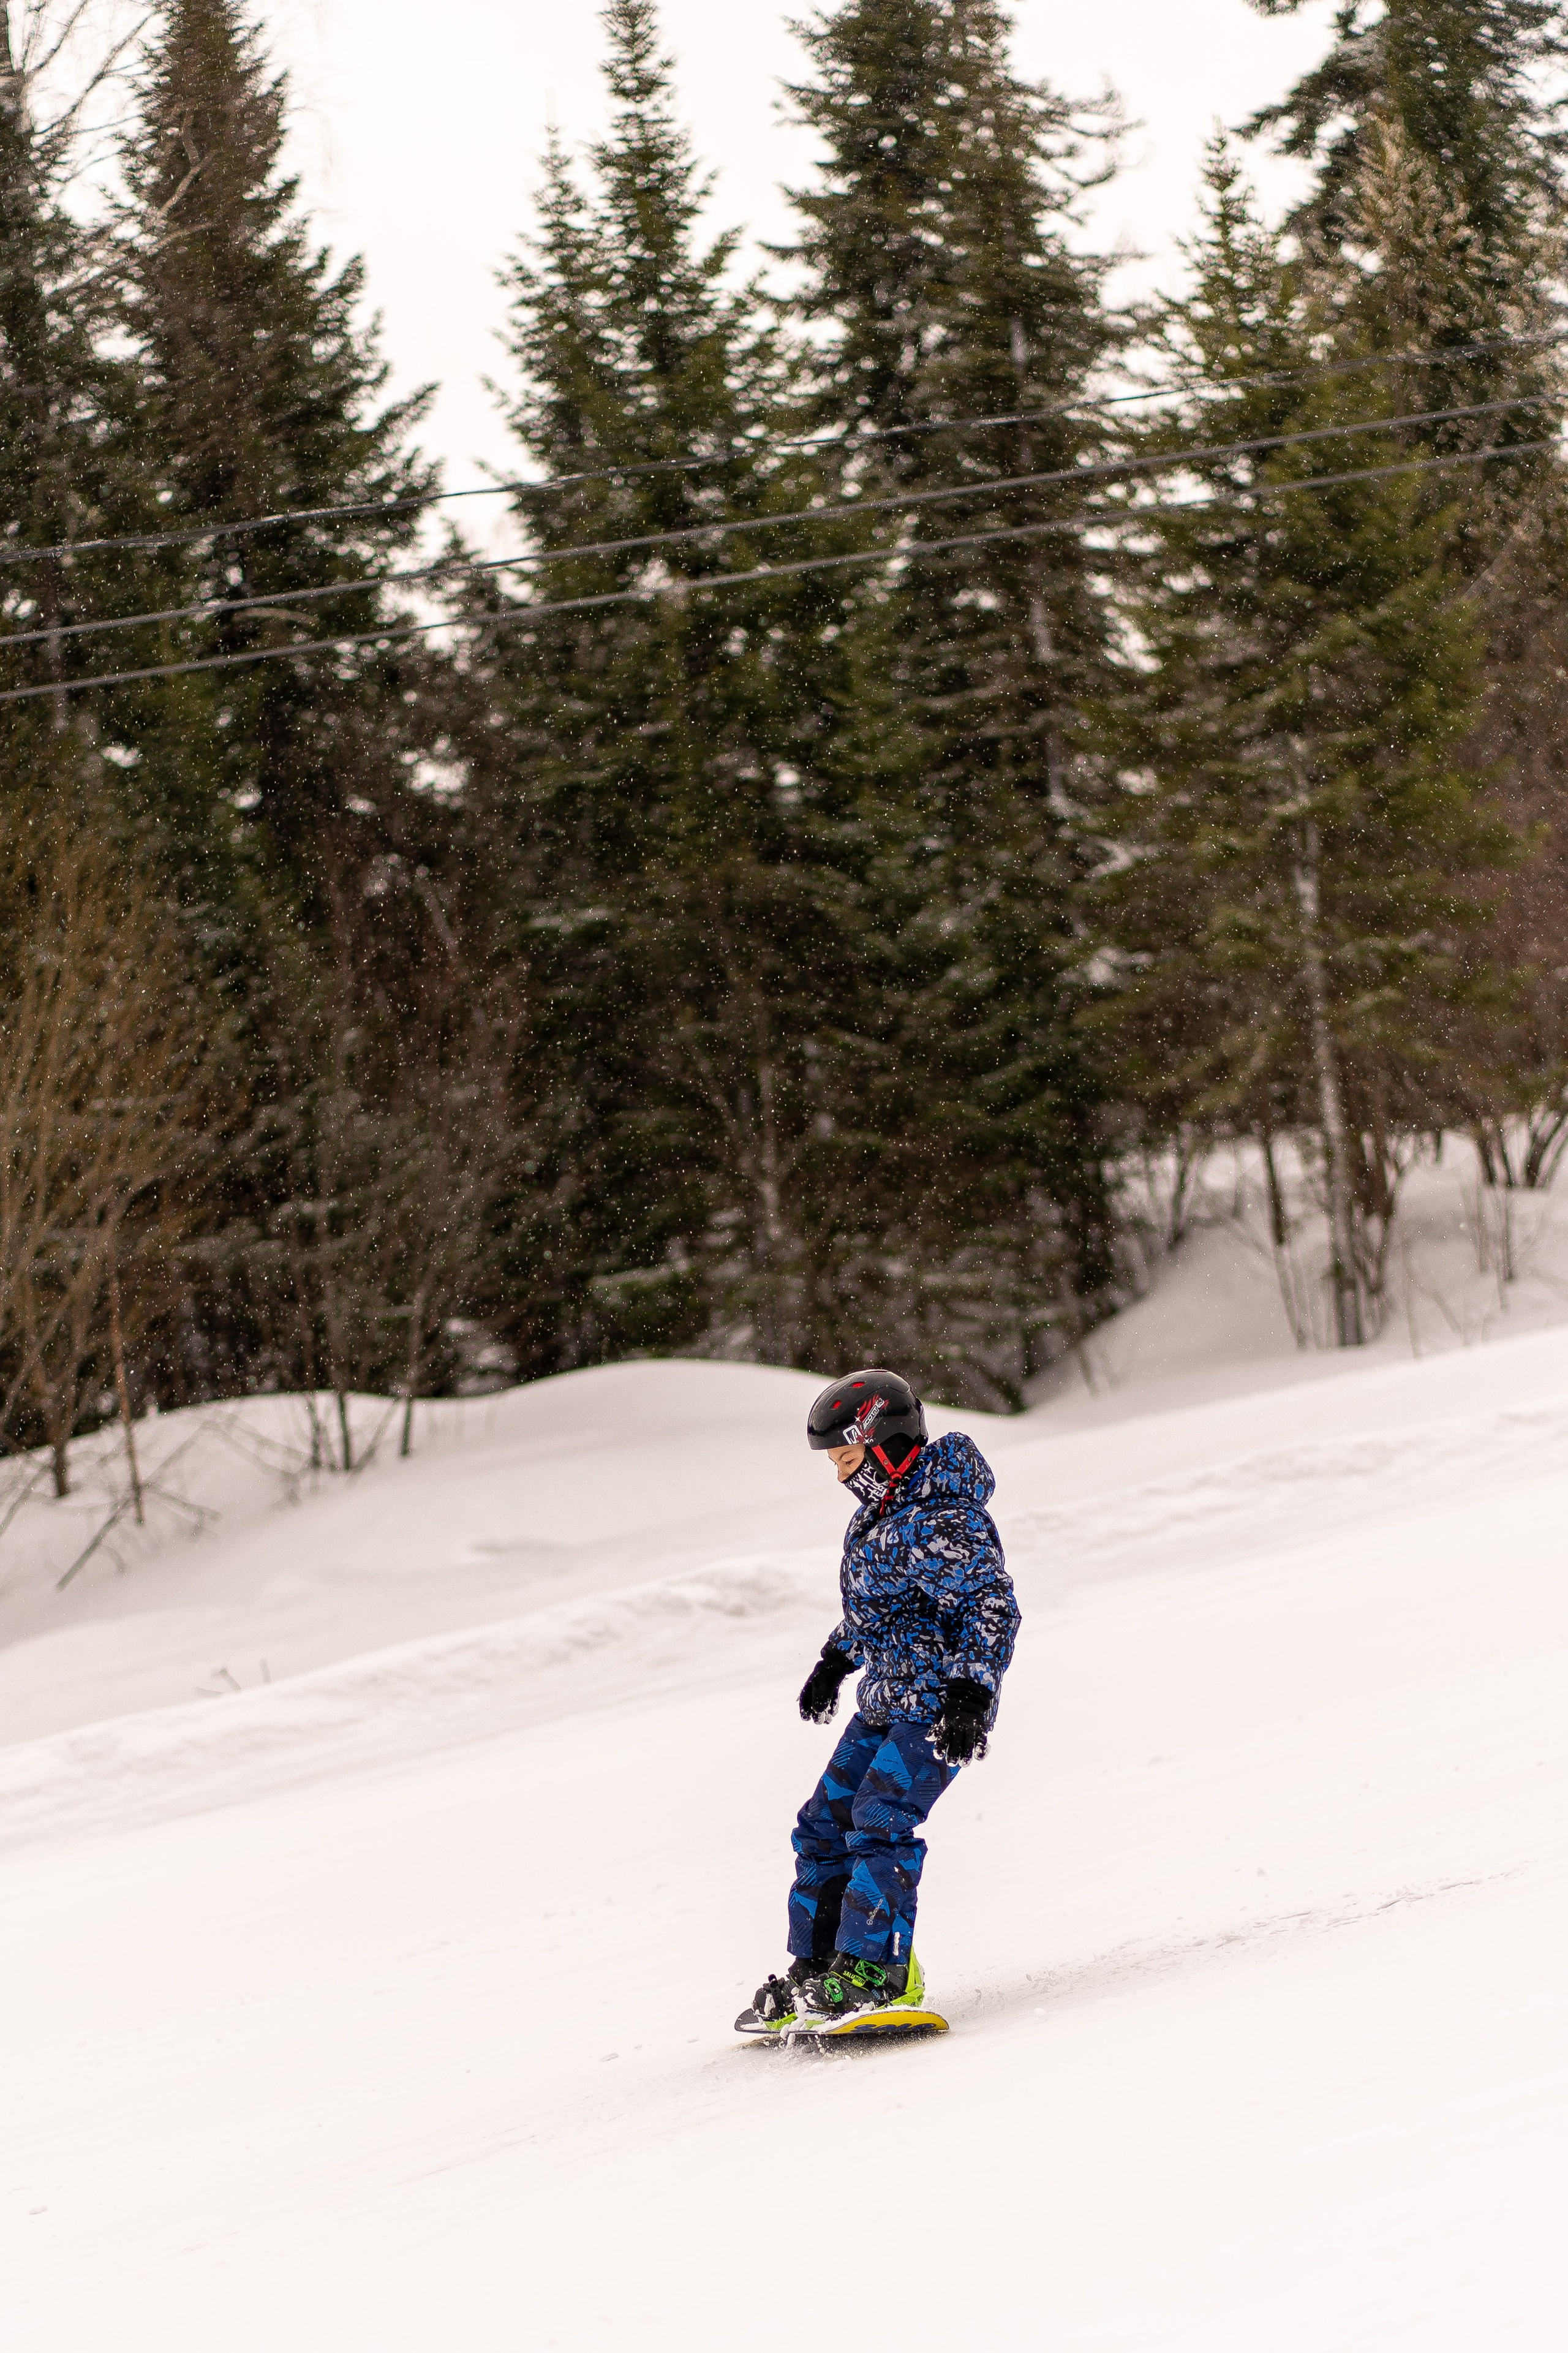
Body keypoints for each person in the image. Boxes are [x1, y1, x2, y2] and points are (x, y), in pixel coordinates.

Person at [747, 1367, 1020, 2030]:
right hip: (885, 1699)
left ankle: (878, 1970)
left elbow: (990, 1606)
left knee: (879, 1816)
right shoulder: (879, 1518)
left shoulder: (945, 1518)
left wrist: (969, 1696)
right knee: (822, 1824)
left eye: (848, 1459)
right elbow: (881, 1611)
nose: (842, 1476)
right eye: (835, 1464)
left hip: (936, 1707)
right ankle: (819, 1967)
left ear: (886, 1444)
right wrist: (835, 1660)